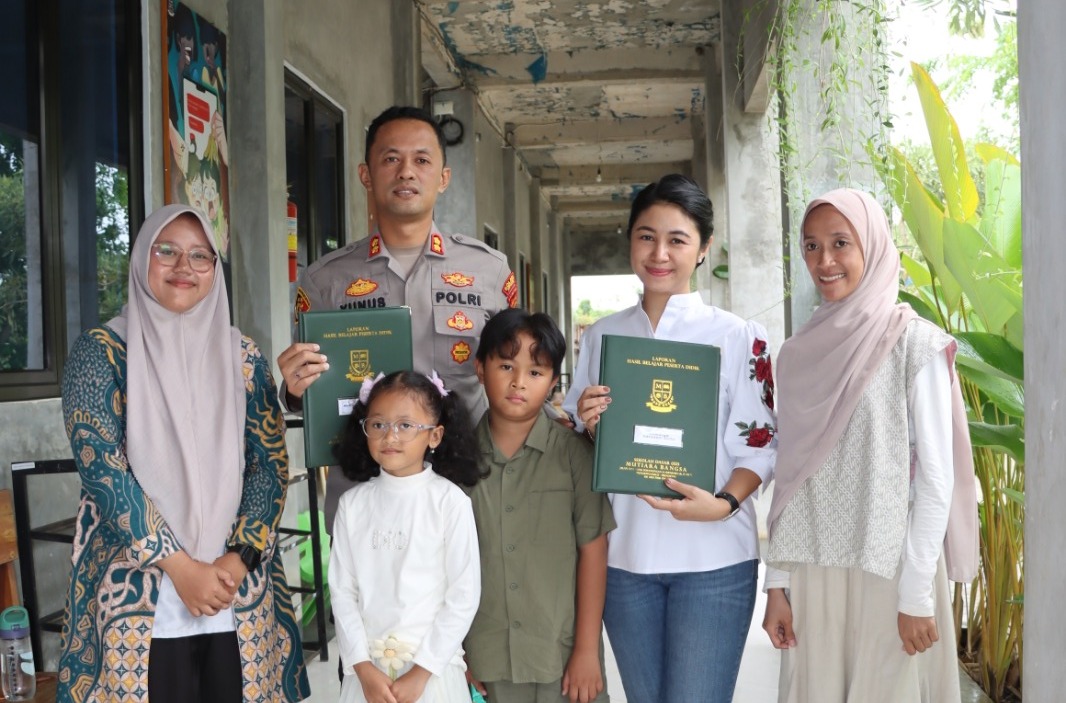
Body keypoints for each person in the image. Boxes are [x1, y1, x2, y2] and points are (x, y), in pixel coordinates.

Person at [58, 205, 310, 702]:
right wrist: (181, 568)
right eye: (166, 251)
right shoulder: (101, 351)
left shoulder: (244, 356)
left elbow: (269, 462)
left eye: (201, 256)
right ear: (140, 260)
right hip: (137, 591)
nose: (183, 268)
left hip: (234, 594)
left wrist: (236, 562)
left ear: (215, 271)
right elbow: (104, 472)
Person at [563, 174, 777, 702]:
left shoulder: (739, 335)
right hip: (626, 560)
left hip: (714, 562)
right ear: (630, 241)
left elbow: (762, 442)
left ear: (703, 249)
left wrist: (725, 504)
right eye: (646, 236)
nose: (659, 253)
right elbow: (576, 440)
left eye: (677, 240)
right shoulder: (602, 335)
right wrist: (588, 423)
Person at [760, 188, 978, 703]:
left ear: (874, 248)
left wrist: (916, 593)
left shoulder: (914, 343)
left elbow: (935, 480)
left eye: (841, 243)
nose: (825, 260)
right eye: (811, 246)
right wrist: (777, 584)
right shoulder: (795, 355)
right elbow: (791, 476)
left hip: (891, 570)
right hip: (815, 573)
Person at [276, 105, 517, 530]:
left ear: (443, 178)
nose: (407, 172)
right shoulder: (325, 280)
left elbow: (518, 371)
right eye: (391, 159)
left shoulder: (490, 272)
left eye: (422, 160)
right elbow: (308, 393)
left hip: (466, 491)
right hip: (365, 497)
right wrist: (294, 392)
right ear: (365, 175)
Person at [466, 308, 615, 703]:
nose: (518, 382)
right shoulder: (456, 462)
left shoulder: (574, 455)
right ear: (480, 368)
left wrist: (586, 650)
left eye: (535, 372)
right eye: (505, 366)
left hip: (562, 656)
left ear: (552, 382)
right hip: (484, 655)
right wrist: (454, 651)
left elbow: (593, 551)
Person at [329, 370, 482, 703]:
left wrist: (421, 672)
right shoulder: (352, 506)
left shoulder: (450, 502)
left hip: (432, 677)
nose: (390, 436)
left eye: (405, 425)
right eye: (379, 424)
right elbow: (342, 593)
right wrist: (363, 669)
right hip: (367, 678)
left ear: (435, 435)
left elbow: (464, 596)